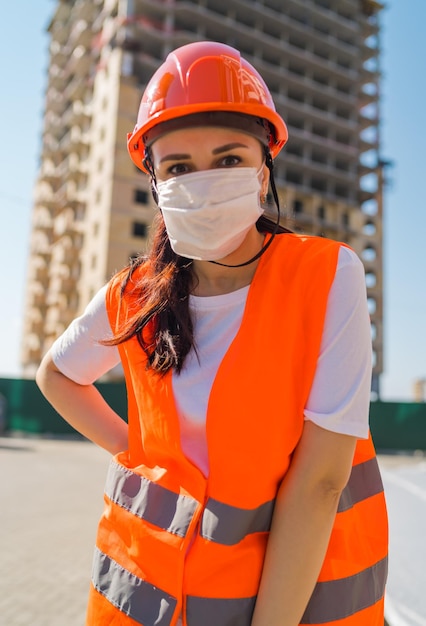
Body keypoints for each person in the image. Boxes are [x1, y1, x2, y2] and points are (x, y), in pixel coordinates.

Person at [36, 41, 388, 626]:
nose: (203, 183)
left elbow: (321, 482)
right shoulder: (135, 293)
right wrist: (140, 455)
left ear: (263, 165)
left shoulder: (327, 275)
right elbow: (56, 376)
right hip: (139, 600)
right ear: (155, 183)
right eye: (178, 168)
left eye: (228, 159)